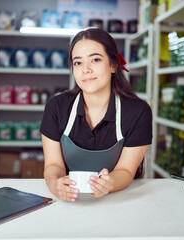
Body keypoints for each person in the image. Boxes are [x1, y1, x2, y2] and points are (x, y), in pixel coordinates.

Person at [40, 28, 152, 202]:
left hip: (119, 201)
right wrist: (55, 184)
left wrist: (110, 183)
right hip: (70, 201)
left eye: (95, 60)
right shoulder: (56, 107)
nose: (86, 69)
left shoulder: (138, 112)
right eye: (78, 63)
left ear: (113, 65)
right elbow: (53, 165)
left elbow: (126, 170)